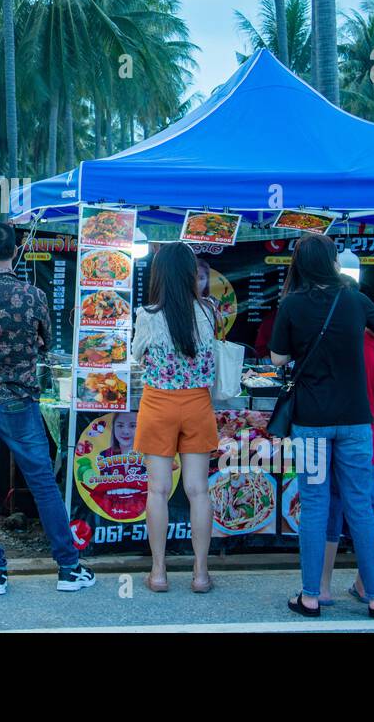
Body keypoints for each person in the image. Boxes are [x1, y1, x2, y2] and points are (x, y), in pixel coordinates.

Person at [0, 221, 95, 595]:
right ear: (14, 252)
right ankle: (68, 568)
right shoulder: (33, 296)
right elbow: (47, 341)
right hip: (21, 406)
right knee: (44, 484)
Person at [270, 233, 374, 619]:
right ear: (332, 263)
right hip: (357, 422)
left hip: (310, 423)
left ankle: (311, 597)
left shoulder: (291, 304)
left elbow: (277, 358)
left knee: (313, 506)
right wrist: (364, 330)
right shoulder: (354, 299)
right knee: (361, 507)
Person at [132, 243, 218, 594]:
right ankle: (200, 574)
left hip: (158, 405)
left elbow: (138, 355)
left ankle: (158, 572)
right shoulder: (209, 311)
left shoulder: (148, 314)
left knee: (158, 489)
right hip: (198, 404)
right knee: (198, 490)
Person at [318, 290, 374, 605]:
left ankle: (321, 587)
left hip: (325, 434)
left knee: (329, 512)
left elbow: (298, 381)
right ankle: (367, 587)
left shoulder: (327, 341)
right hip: (362, 438)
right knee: (363, 512)